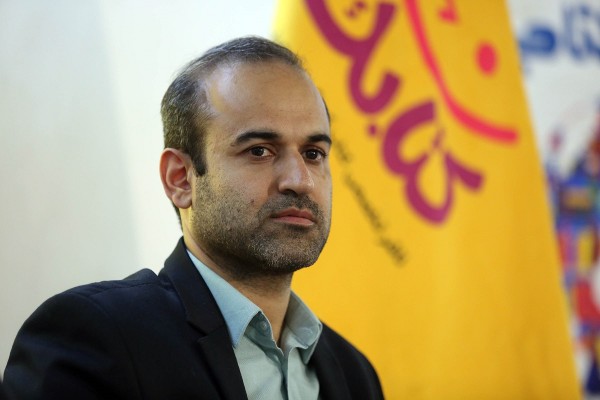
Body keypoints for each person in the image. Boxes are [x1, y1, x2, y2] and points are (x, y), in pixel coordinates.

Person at [3, 36, 384, 399]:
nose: (299, 180)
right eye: (259, 151)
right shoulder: (95, 337)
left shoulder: (355, 374)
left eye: (313, 154)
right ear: (180, 179)